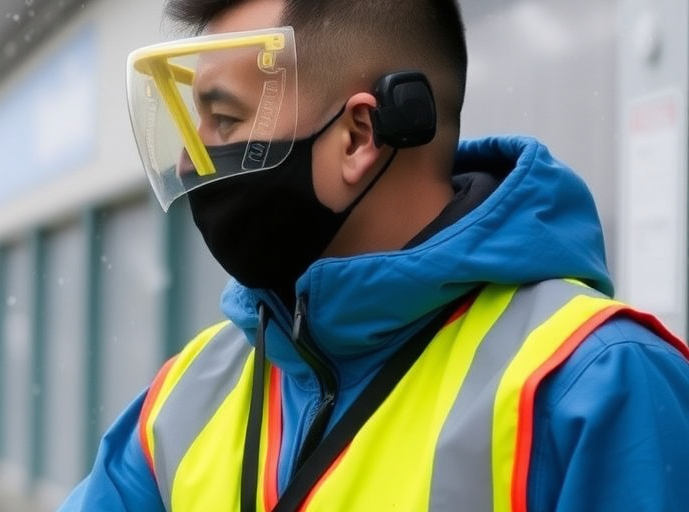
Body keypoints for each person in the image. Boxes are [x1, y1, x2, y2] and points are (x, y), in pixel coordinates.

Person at [61, 0, 689, 510]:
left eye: (224, 122)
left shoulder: (594, 384)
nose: (188, 161)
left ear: (359, 136)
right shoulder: (186, 396)